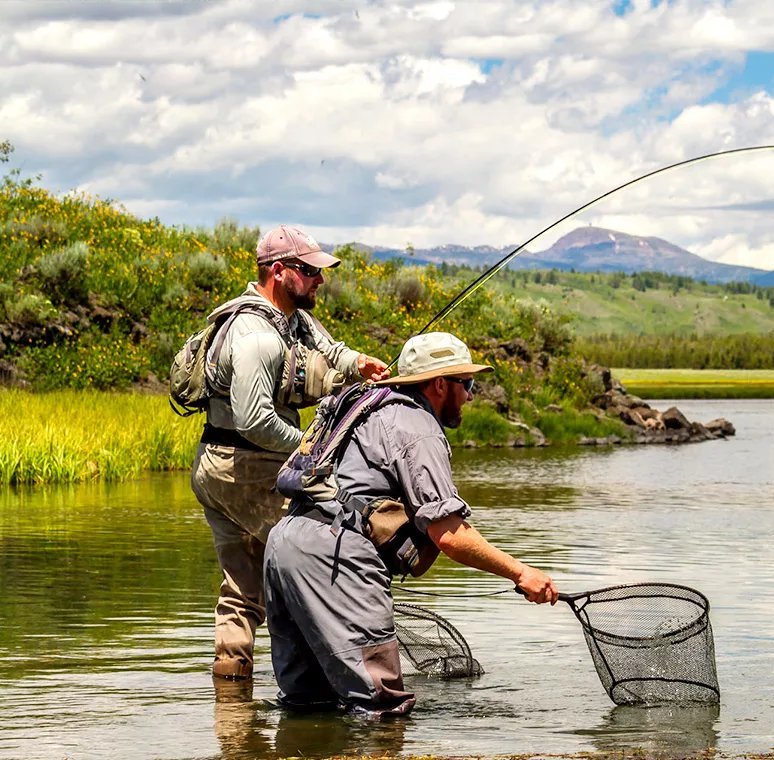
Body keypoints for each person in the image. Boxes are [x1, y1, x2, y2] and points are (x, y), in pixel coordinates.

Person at [263, 331, 559, 716]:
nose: (470, 394)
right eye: (466, 383)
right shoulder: (416, 424)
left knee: (307, 706)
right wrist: (521, 573)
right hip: (335, 556)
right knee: (380, 708)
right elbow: (449, 534)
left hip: (286, 541)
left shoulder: (366, 405)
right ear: (439, 384)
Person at [190, 224, 389, 681]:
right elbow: (254, 420)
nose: (320, 280)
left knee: (242, 590)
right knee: (322, 549)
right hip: (241, 466)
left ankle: (232, 709)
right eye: (310, 271)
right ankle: (332, 679)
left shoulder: (292, 317)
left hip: (219, 465)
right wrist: (310, 447)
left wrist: (359, 364)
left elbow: (330, 349)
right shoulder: (256, 335)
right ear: (279, 271)